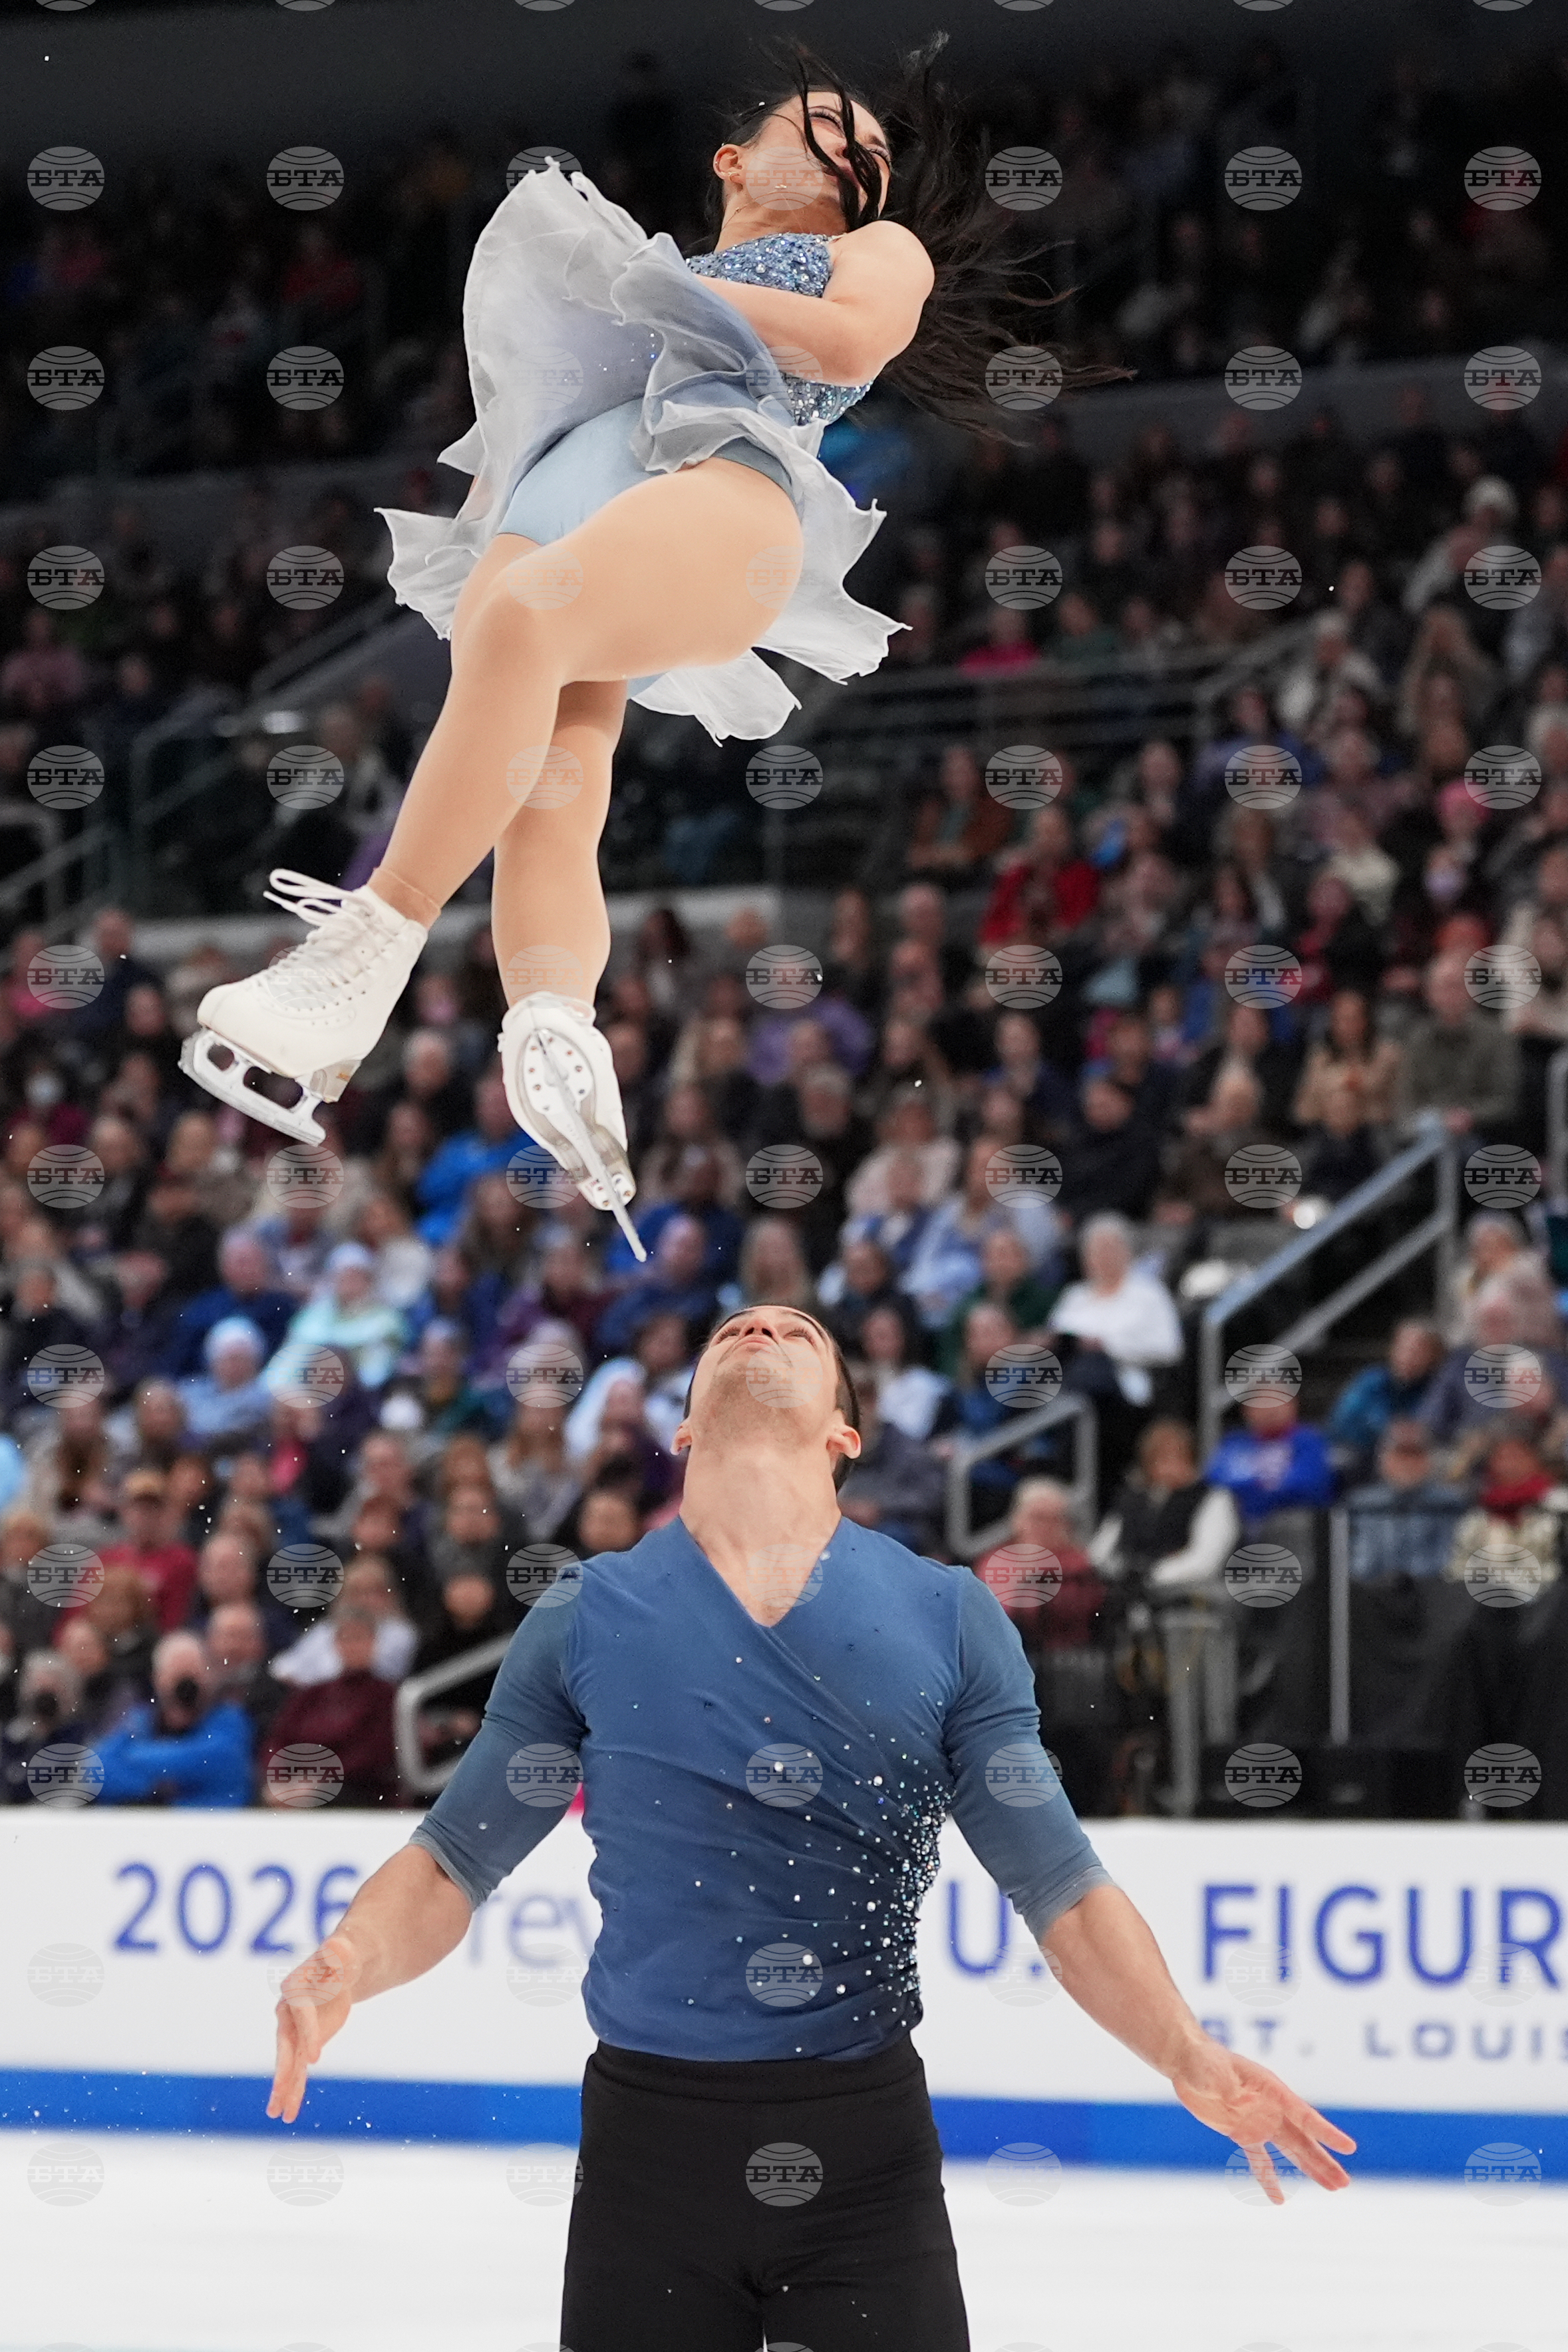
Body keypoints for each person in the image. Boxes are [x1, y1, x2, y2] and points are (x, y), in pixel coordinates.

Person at [178, 51, 1120, 1270]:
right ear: (734, 162)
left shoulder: (874, 251)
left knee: (526, 624)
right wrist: (650, 285)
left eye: (872, 151)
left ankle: (362, 956)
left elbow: (848, 346)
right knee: (551, 786)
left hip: (722, 474)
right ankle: (556, 1030)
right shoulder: (647, 270)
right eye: (824, 127)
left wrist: (674, 289)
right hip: (566, 482)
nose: (854, 151)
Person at [265, 1300, 1352, 2349]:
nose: (761, 1328)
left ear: (844, 1431)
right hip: (646, 2154)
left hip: (862, 2153)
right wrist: (352, 1954)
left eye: (800, 1332)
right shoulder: (585, 1614)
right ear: (683, 1426)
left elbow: (1059, 1886)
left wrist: (1182, 2047)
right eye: (734, 1329)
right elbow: (452, 1863)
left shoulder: (947, 1617)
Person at [94, 1630, 253, 1808]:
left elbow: (213, 1761)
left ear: (209, 1676)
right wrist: (155, 1787)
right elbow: (96, 1770)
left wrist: (135, 1757)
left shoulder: (229, 1719)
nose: (185, 1686)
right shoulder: (140, 1721)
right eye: (177, 1675)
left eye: (192, 1674)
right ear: (157, 1679)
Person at [260, 1604, 399, 1807]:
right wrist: (281, 1779)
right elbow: (279, 1739)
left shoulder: (386, 1695)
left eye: (359, 1638)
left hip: (357, 1791)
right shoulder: (312, 1694)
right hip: (301, 1786)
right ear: (336, 1644)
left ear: (374, 1643)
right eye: (346, 1639)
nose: (353, 1646)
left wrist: (319, 1783)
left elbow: (373, 1755)